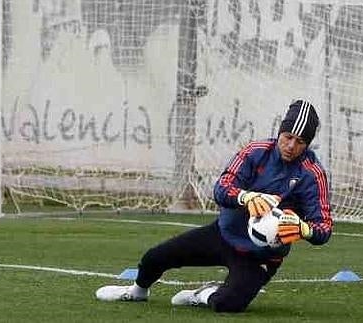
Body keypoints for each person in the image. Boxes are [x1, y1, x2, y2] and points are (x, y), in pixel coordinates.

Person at [95, 99, 333, 313]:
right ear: (280, 132)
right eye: (287, 137)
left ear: (308, 144)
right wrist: (246, 198)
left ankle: (203, 294)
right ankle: (136, 292)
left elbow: (323, 227)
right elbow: (221, 187)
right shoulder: (255, 152)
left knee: (229, 304)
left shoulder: (312, 175)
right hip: (222, 234)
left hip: (260, 256)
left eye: (300, 141)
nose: (291, 145)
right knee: (154, 257)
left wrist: (305, 229)